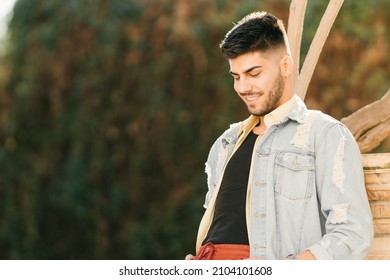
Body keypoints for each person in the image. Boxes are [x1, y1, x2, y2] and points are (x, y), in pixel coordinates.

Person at [185, 11, 373, 260]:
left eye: (254, 74)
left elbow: (353, 235)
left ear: (285, 65)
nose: (243, 87)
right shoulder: (224, 144)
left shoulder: (324, 135)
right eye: (236, 77)